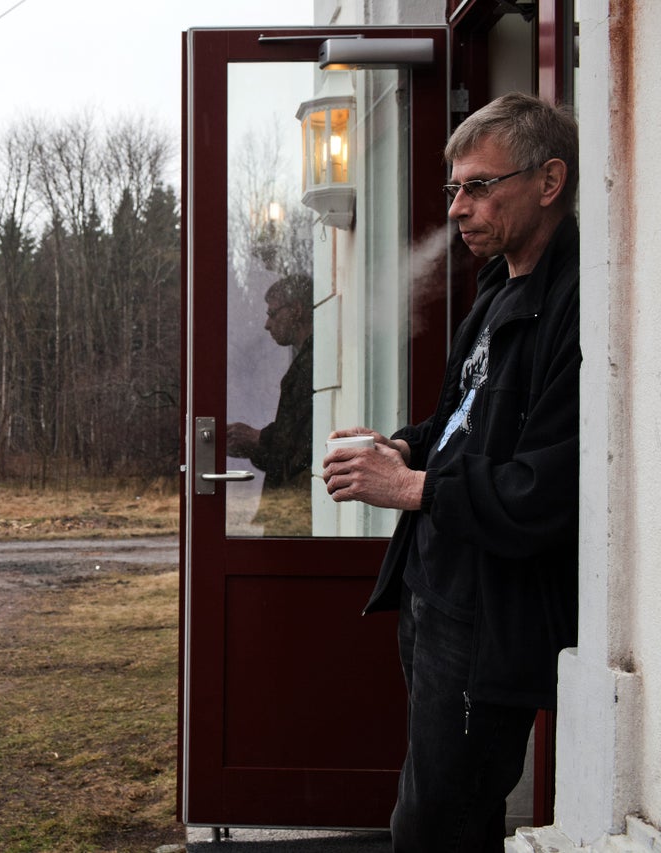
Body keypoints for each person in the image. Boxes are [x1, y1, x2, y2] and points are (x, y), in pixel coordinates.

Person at [321, 93, 580, 852]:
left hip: (488, 617)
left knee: (437, 824)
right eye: (452, 189)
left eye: (478, 186)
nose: (458, 208)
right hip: (439, 594)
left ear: (549, 180)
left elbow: (547, 492)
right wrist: (402, 446)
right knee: (434, 808)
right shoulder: (498, 285)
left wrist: (407, 487)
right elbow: (459, 427)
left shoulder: (577, 304)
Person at [227, 273, 313, 535]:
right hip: (290, 510)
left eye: (272, 314)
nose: (267, 324)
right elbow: (289, 450)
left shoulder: (312, 364)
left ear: (296, 311)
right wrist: (254, 446)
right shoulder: (304, 362)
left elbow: (305, 444)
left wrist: (257, 438)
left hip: (298, 514)